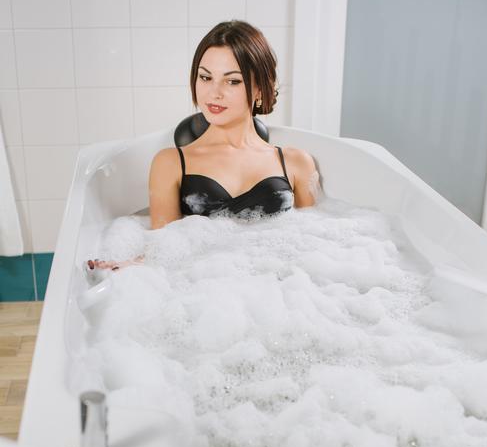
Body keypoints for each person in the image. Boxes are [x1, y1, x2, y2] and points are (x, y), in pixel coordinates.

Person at [91, 20, 319, 270]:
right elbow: (163, 255)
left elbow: (314, 247)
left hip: (279, 284)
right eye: (205, 77)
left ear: (259, 89)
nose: (214, 92)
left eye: (233, 81)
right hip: (204, 286)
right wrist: (129, 266)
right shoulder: (171, 163)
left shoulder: (297, 163)